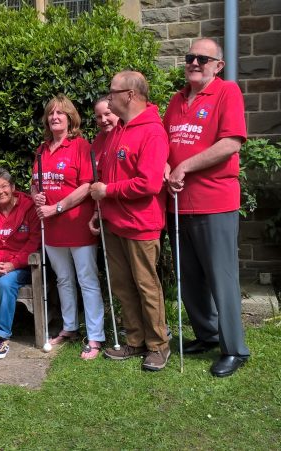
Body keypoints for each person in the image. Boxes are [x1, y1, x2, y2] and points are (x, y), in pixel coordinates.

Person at [163, 38, 251, 377]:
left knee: (221, 278)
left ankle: (235, 349)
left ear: (218, 65)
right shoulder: (175, 100)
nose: (195, 63)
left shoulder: (227, 93)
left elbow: (230, 143)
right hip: (178, 204)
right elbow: (164, 142)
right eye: (190, 58)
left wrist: (185, 166)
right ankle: (207, 334)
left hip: (214, 202)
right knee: (190, 278)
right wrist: (165, 167)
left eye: (203, 58)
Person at [89, 71, 170, 371]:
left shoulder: (152, 131)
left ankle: (159, 345)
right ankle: (135, 340)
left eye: (113, 92)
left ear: (130, 95)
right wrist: (100, 211)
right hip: (114, 223)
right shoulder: (118, 130)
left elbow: (149, 184)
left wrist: (108, 191)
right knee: (123, 286)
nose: (109, 97)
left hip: (140, 224)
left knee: (147, 285)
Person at [31, 95, 105, 360]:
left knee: (87, 280)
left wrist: (57, 207)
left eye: (60, 113)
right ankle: (70, 327)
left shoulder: (81, 146)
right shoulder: (41, 149)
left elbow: (86, 186)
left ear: (70, 118)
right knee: (62, 279)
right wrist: (36, 195)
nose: (54, 117)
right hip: (51, 228)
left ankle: (96, 336)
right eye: (51, 113)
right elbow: (35, 182)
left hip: (76, 225)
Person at [0, 168, 41, 360]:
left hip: (19, 265)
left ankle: (2, 336)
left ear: (12, 187)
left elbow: (34, 241)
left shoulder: (28, 207)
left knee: (6, 283)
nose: (0, 191)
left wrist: (13, 264)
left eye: (4, 186)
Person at [91, 96, 119, 165]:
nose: (103, 120)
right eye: (99, 117)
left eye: (107, 114)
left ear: (117, 113)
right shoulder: (98, 141)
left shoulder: (128, 137)